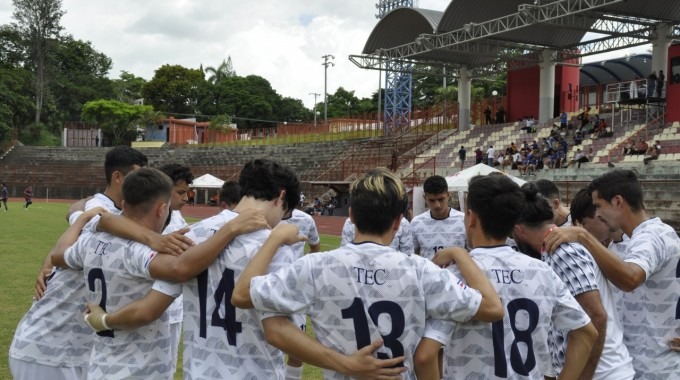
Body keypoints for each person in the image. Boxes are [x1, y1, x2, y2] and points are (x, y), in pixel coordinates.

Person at [232, 168, 505, 379]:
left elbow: (242, 294)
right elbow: (493, 308)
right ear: (399, 222)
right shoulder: (422, 271)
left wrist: (275, 238)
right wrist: (459, 253)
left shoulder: (316, 267)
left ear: (350, 215)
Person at [413, 174, 597, 380]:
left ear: (471, 217)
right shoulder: (542, 271)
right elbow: (586, 332)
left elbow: (426, 356)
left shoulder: (454, 276)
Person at [544, 169, 680, 377]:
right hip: (636, 364)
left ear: (617, 201)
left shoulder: (653, 236)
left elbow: (630, 279)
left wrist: (583, 236)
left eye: (599, 206)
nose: (597, 213)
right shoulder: (627, 243)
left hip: (656, 368)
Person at [50, 168, 181, 379]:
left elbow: (58, 255)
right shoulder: (144, 253)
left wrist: (82, 219)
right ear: (162, 209)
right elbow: (179, 270)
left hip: (100, 366)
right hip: (141, 371)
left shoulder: (90, 242)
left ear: (123, 204)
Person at [513, 183, 634, 379]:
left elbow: (596, 316)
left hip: (600, 373)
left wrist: (582, 377)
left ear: (518, 230)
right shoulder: (555, 248)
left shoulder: (562, 251)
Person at [410, 175, 466, 260]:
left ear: (448, 195)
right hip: (428, 273)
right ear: (425, 198)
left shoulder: (463, 220)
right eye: (432, 200)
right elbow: (411, 254)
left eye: (441, 199)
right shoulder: (416, 223)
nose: (437, 205)